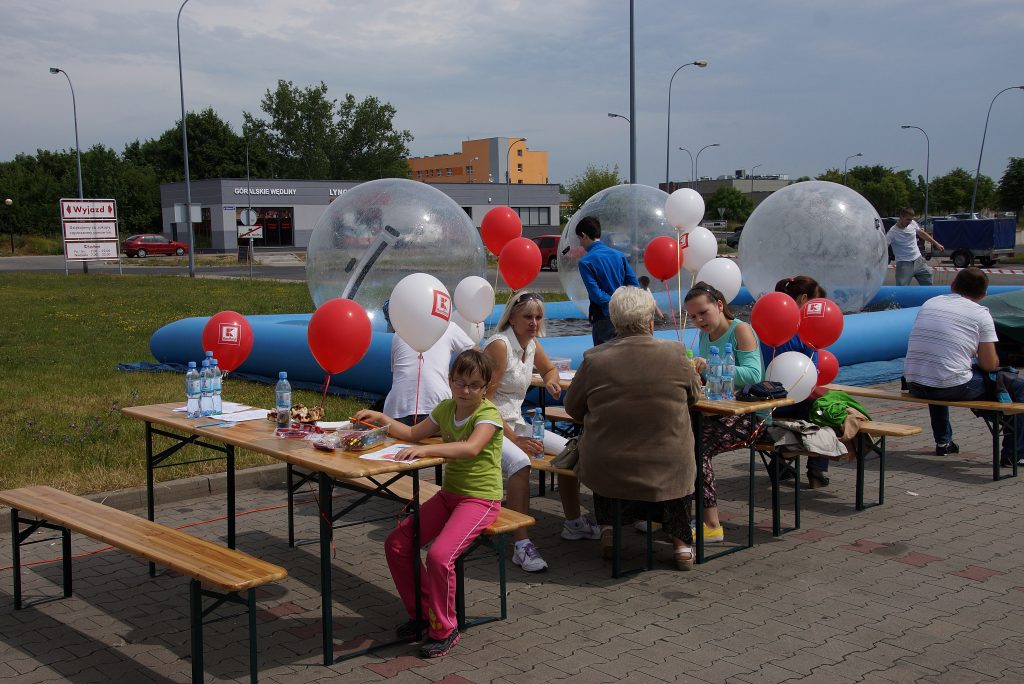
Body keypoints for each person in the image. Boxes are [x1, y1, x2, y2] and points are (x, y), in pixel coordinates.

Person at [354, 350, 503, 659]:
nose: (466, 391)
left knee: (439, 557)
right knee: (396, 543)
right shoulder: (446, 408)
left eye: (474, 385)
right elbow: (411, 433)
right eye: (460, 383)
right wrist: (382, 419)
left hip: (481, 500)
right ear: (450, 381)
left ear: (485, 388)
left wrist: (423, 453)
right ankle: (423, 614)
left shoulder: (488, 415)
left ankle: (445, 629)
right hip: (450, 496)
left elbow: (472, 448)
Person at [565, 286, 703, 570]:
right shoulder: (676, 353)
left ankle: (610, 532)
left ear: (615, 321)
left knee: (598, 452)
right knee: (677, 457)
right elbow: (694, 396)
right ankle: (681, 545)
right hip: (668, 463)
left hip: (610, 465)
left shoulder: (594, 358)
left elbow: (572, 409)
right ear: (651, 319)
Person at [483, 290, 601, 572]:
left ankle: (573, 523)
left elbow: (550, 370)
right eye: (528, 317)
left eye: (538, 317)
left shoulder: (531, 343)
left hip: (517, 423)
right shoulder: (499, 346)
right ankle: (521, 544)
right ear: (512, 317)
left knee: (571, 451)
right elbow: (483, 401)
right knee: (521, 462)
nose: (534, 322)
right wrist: (515, 439)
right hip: (489, 424)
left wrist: (550, 380)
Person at [904, 267, 1024, 465]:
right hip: (949, 386)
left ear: (953, 286)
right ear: (984, 295)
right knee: (1016, 386)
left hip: (914, 382)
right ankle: (1014, 453)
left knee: (939, 373)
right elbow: (989, 364)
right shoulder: (981, 314)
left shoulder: (930, 303)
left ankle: (944, 441)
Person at [684, 282, 765, 542]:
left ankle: (711, 524)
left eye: (703, 313)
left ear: (719, 305)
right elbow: (714, 382)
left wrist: (713, 367)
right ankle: (669, 512)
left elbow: (754, 375)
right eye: (694, 316)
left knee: (697, 447)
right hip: (720, 410)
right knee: (672, 437)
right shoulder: (706, 337)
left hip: (752, 415)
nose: (699, 320)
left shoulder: (741, 330)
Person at [760, 276, 831, 488]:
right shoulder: (804, 332)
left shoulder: (763, 325)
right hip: (791, 404)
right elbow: (811, 376)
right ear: (802, 299)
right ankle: (816, 470)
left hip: (763, 403)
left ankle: (781, 466)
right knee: (824, 411)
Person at [383, 318, 475, 426]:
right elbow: (476, 356)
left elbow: (399, 373)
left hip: (396, 409)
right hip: (435, 407)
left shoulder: (399, 331)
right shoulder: (448, 326)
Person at [575, 216, 640, 345]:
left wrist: (614, 302)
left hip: (603, 318)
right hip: (625, 316)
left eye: (579, 239)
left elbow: (597, 295)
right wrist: (623, 303)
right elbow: (634, 286)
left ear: (584, 235)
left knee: (604, 360)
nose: (580, 244)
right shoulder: (619, 255)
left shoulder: (585, 262)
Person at [887, 207, 944, 286]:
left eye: (911, 219)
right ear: (901, 217)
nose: (909, 222)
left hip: (918, 260)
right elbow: (883, 247)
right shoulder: (892, 232)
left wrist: (936, 243)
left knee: (928, 275)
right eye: (907, 219)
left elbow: (921, 233)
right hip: (904, 264)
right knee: (902, 288)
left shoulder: (913, 223)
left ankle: (927, 296)